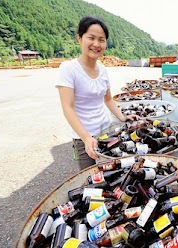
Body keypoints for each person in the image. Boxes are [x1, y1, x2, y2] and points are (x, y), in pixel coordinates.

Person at [56, 16, 139, 170]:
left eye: (101, 39)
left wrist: (122, 117)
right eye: (91, 38)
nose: (96, 44)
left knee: (112, 173)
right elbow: (68, 108)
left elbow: (108, 100)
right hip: (83, 137)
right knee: (91, 178)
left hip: (106, 132)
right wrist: (87, 138)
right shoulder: (68, 69)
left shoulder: (103, 70)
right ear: (79, 39)